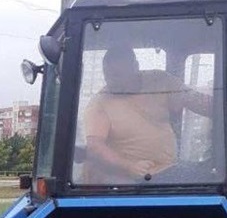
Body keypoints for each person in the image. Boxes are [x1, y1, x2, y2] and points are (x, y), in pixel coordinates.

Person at [84, 47, 212, 184]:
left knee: (212, 176)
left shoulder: (160, 82)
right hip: (135, 178)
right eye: (108, 75)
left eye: (118, 75)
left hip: (170, 169)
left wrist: (219, 108)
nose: (112, 81)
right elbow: (95, 146)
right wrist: (129, 166)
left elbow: (197, 101)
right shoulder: (99, 104)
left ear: (135, 67)